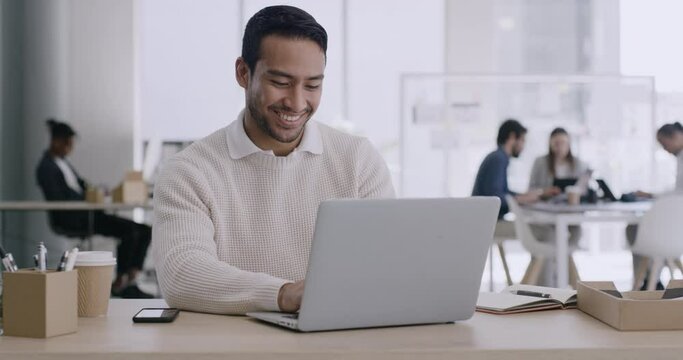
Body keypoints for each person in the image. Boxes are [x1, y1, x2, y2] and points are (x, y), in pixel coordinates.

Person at [152, 5, 394, 315]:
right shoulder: (189, 171)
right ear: (243, 73)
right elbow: (182, 273)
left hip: (335, 340)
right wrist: (282, 294)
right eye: (280, 83)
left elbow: (386, 264)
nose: (296, 102)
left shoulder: (358, 160)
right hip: (233, 346)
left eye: (312, 85)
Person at [36, 119, 153, 298]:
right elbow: (59, 198)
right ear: (56, 141)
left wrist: (96, 192)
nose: (70, 149)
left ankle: (129, 278)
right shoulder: (46, 167)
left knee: (144, 230)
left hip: (89, 212)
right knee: (130, 232)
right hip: (75, 218)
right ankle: (122, 283)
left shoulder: (63, 163)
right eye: (68, 144)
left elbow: (81, 185)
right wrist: (87, 198)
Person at [627, 122, 683, 289]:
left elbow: (678, 194)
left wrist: (651, 195)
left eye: (664, 144)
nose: (664, 149)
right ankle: (651, 277)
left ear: (675, 137)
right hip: (676, 229)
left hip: (675, 231)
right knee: (634, 228)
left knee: (634, 228)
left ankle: (650, 278)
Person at [472, 119, 559, 219]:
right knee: (536, 230)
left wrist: (531, 195)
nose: (523, 146)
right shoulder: (498, 159)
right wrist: (521, 199)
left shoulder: (498, 157)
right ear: (512, 137)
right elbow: (495, 199)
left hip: (487, 220)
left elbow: (503, 192)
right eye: (522, 140)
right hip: (487, 223)